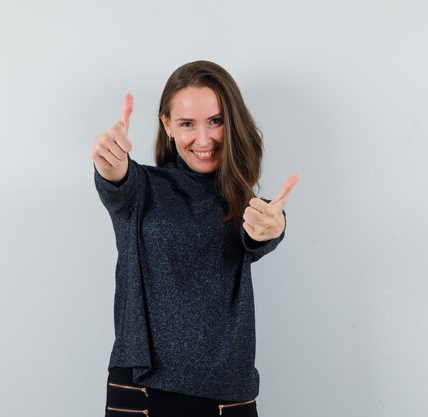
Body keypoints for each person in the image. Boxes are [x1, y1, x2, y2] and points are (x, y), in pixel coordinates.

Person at [91, 60, 299, 417]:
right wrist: (108, 160)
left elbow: (261, 231)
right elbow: (116, 178)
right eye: (187, 124)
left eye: (215, 121)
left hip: (228, 395)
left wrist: (274, 226)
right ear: (167, 126)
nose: (203, 139)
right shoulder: (142, 189)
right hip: (142, 389)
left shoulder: (246, 207)